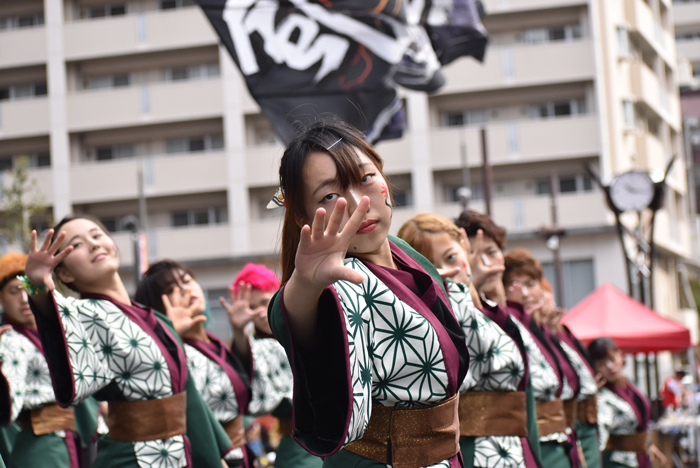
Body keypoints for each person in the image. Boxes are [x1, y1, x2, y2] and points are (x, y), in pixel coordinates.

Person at [267, 119, 469, 467]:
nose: (357, 202)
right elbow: (291, 317)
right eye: (329, 195)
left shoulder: (405, 254)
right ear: (302, 213)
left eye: (365, 178)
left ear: (383, 175)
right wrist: (305, 284)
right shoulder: (335, 280)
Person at [21, 215, 233, 468]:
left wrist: (215, 457)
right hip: (134, 457)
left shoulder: (157, 319)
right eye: (76, 244)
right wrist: (38, 287)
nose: (94, 244)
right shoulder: (83, 312)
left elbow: (191, 399)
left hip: (178, 454)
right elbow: (54, 314)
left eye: (98, 235)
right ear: (64, 273)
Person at [397, 213, 543, 468]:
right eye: (433, 264)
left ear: (464, 245)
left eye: (452, 256)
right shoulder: (445, 307)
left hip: (514, 446)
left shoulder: (480, 307)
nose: (450, 269)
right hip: (483, 453)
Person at [0, 252, 100, 468]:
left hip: (70, 441)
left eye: (28, 288)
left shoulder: (61, 333)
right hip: (42, 447)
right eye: (13, 291)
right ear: (1, 298)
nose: (24, 298)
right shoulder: (9, 341)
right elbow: (6, 407)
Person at [225, 264, 322, 468]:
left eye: (264, 302)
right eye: (252, 307)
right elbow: (247, 363)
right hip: (298, 446)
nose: (260, 312)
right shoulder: (255, 345)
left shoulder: (309, 319)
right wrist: (238, 332)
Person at [502, 248, 577, 467]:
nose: (524, 293)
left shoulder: (541, 330)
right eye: (514, 286)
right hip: (535, 441)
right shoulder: (510, 326)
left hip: (562, 437)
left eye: (531, 284)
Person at [589, 337, 667, 468]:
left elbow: (638, 422)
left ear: (620, 355)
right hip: (618, 461)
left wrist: (647, 444)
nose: (610, 367)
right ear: (595, 368)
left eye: (612, 359)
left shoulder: (630, 384)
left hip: (641, 457)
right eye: (602, 364)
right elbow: (598, 438)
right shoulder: (600, 396)